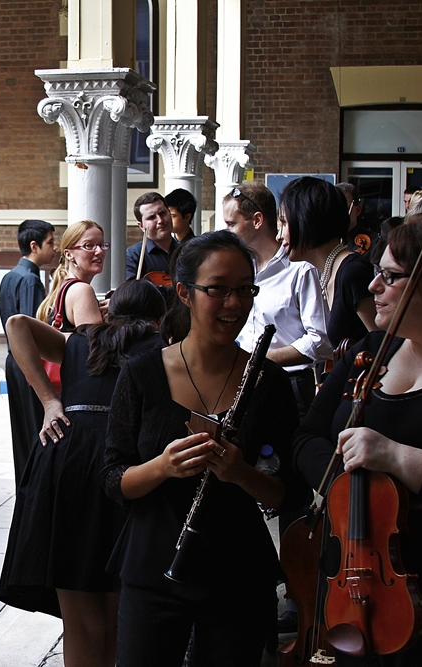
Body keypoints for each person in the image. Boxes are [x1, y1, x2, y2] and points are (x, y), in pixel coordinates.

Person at [292, 216, 422, 666]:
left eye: (389, 276)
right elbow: (306, 438)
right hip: (352, 576)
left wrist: (396, 457)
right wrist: (352, 486)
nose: (372, 286)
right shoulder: (371, 350)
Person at [103, 231, 302, 667]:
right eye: (217, 290)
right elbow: (113, 480)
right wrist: (162, 466)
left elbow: (291, 495)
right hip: (153, 565)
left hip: (238, 572)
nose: (234, 303)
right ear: (184, 293)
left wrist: (241, 473)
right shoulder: (141, 374)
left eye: (244, 290)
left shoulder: (267, 382)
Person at [0, 280, 166, 667]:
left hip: (68, 463)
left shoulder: (83, 341)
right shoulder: (161, 348)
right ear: (159, 318)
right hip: (123, 468)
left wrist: (50, 401)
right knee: (121, 617)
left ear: (110, 312)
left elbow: (16, 324)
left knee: (80, 624)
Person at [223, 182, 331, 417]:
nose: (226, 232)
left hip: (289, 384)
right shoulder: (240, 271)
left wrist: (262, 359)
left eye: (231, 224)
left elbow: (321, 340)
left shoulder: (300, 270)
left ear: (257, 220)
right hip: (241, 384)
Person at [278, 176, 378, 348]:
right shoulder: (333, 271)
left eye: (285, 223)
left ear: (306, 220)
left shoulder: (352, 272)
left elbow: (383, 345)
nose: (279, 236)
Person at [0, 218, 56, 483]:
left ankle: (25, 482)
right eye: (51, 242)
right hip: (27, 363)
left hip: (13, 361)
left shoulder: (9, 276)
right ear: (34, 246)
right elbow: (34, 330)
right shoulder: (31, 281)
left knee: (21, 430)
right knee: (36, 429)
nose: (54, 248)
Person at [37, 219, 108, 329]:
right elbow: (98, 344)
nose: (100, 251)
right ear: (69, 255)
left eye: (102, 245)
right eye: (89, 245)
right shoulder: (82, 290)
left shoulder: (64, 287)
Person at [126, 192, 175, 280]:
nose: (160, 221)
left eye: (163, 213)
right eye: (152, 217)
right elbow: (132, 293)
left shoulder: (187, 251)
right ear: (141, 226)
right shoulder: (132, 256)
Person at [336, 182, 375, 256]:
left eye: (344, 209)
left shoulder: (373, 243)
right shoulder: (323, 243)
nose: (337, 213)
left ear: (358, 210)